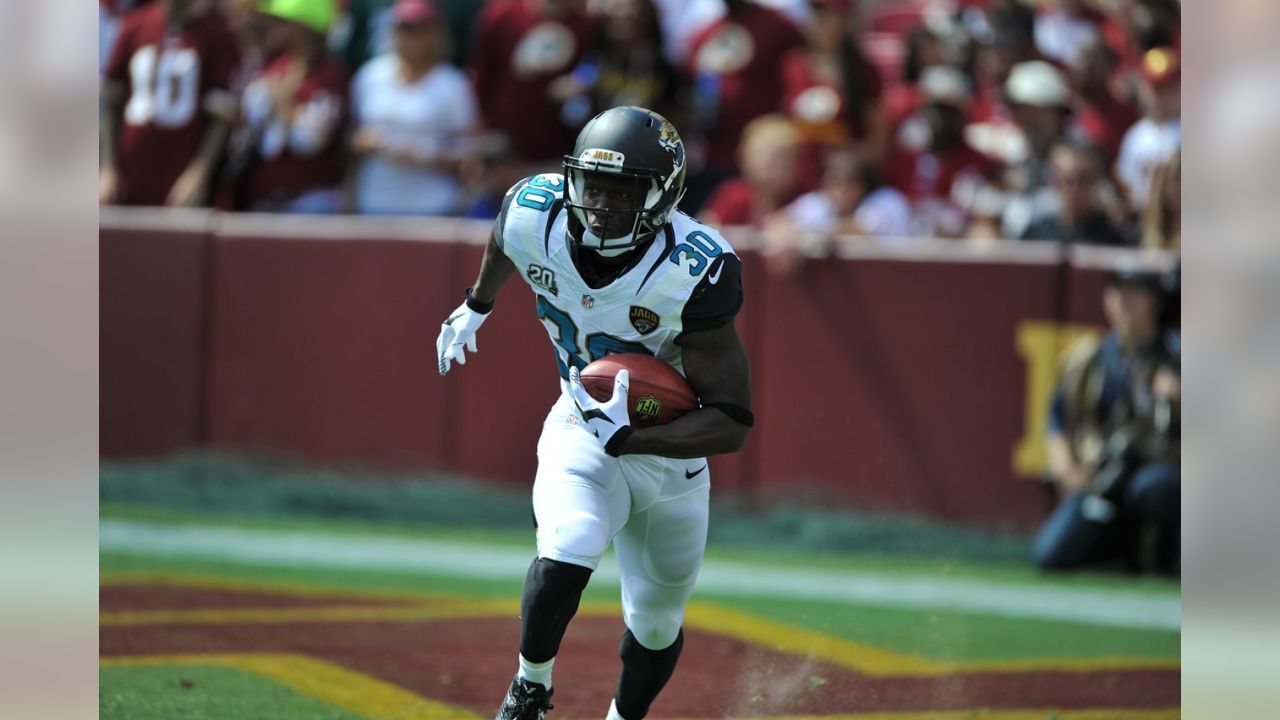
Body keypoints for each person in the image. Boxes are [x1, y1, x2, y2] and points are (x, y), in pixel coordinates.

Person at [435, 106, 753, 719]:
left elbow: (733, 422)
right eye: (594, 187)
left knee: (656, 624)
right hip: (582, 425)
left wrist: (632, 439)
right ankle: (529, 689)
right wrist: (478, 303)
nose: (602, 205)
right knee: (570, 543)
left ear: (662, 198)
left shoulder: (693, 269)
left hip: (671, 459)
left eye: (623, 192)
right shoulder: (536, 210)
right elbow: (507, 237)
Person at [1034, 267, 1180, 575]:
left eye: (1134, 295)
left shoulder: (1175, 356)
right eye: (1117, 293)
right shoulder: (1088, 358)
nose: (1124, 303)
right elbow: (1057, 420)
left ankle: (1163, 550)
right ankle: (1119, 545)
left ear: (1154, 302)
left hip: (1157, 470)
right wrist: (1068, 470)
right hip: (1103, 475)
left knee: (1157, 487)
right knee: (1051, 554)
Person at [100, 0, 240, 207]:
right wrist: (107, 167)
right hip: (128, 172)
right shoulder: (133, 25)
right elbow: (112, 101)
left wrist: (199, 172)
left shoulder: (216, 35)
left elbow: (221, 115)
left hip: (179, 178)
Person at [348, 0, 479, 216]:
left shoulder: (452, 84)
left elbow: (468, 155)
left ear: (436, 35)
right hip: (373, 204)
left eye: (420, 30)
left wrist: (423, 154)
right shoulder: (369, 76)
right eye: (404, 29)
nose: (412, 39)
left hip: (432, 207)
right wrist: (363, 142)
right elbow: (350, 138)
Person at [234, 0, 348, 212]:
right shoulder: (273, 66)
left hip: (311, 201)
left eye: (282, 21)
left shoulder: (330, 76)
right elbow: (253, 124)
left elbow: (310, 141)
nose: (274, 26)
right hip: (265, 196)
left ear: (303, 27)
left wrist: (285, 104)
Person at [780, 0, 889, 192]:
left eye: (829, 15)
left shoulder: (863, 72)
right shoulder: (792, 65)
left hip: (846, 187)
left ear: (846, 20)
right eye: (816, 14)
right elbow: (780, 125)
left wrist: (850, 157)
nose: (821, 22)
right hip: (797, 181)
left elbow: (879, 143)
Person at [698, 114, 802, 228]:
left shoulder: (802, 200)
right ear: (744, 157)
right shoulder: (733, 194)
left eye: (783, 159)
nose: (770, 165)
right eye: (762, 155)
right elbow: (708, 226)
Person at [1019, 139, 1128, 246]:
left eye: (1083, 179)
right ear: (1054, 181)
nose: (1075, 188)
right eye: (1068, 180)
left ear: (1096, 181)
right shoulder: (1036, 235)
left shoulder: (1112, 239)